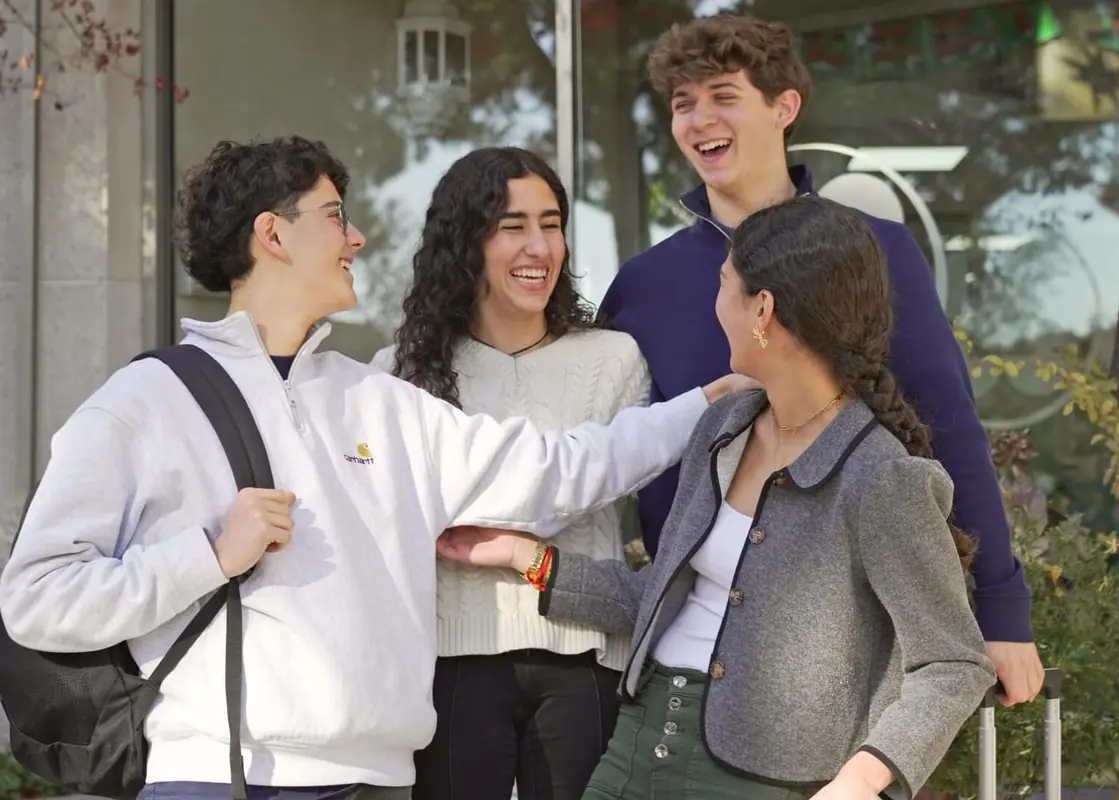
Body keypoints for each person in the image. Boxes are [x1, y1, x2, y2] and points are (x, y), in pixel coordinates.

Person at [0, 136, 752, 800]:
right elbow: (37, 597)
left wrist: (705, 405)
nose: (357, 237)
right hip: (221, 776)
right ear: (273, 235)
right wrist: (206, 556)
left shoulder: (378, 400)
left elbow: (556, 472)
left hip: (380, 781)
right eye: (334, 217)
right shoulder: (146, 402)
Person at [437, 196, 997, 800]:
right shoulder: (723, 429)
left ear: (763, 309)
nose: (715, 307)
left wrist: (860, 781)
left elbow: (953, 662)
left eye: (724, 286)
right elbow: (663, 597)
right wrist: (528, 559)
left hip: (766, 781)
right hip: (636, 747)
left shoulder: (880, 475)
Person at [595, 13, 1043, 705]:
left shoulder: (879, 251)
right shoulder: (642, 286)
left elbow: (948, 425)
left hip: (846, 654)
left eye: (722, 95)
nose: (698, 119)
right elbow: (610, 456)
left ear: (784, 106)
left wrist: (1002, 611)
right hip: (684, 659)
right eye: (683, 103)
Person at [369, 146, 649, 800]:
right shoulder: (399, 374)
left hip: (585, 664)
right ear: (466, 242)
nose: (539, 246)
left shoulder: (614, 360)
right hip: (451, 665)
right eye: (512, 225)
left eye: (551, 224)